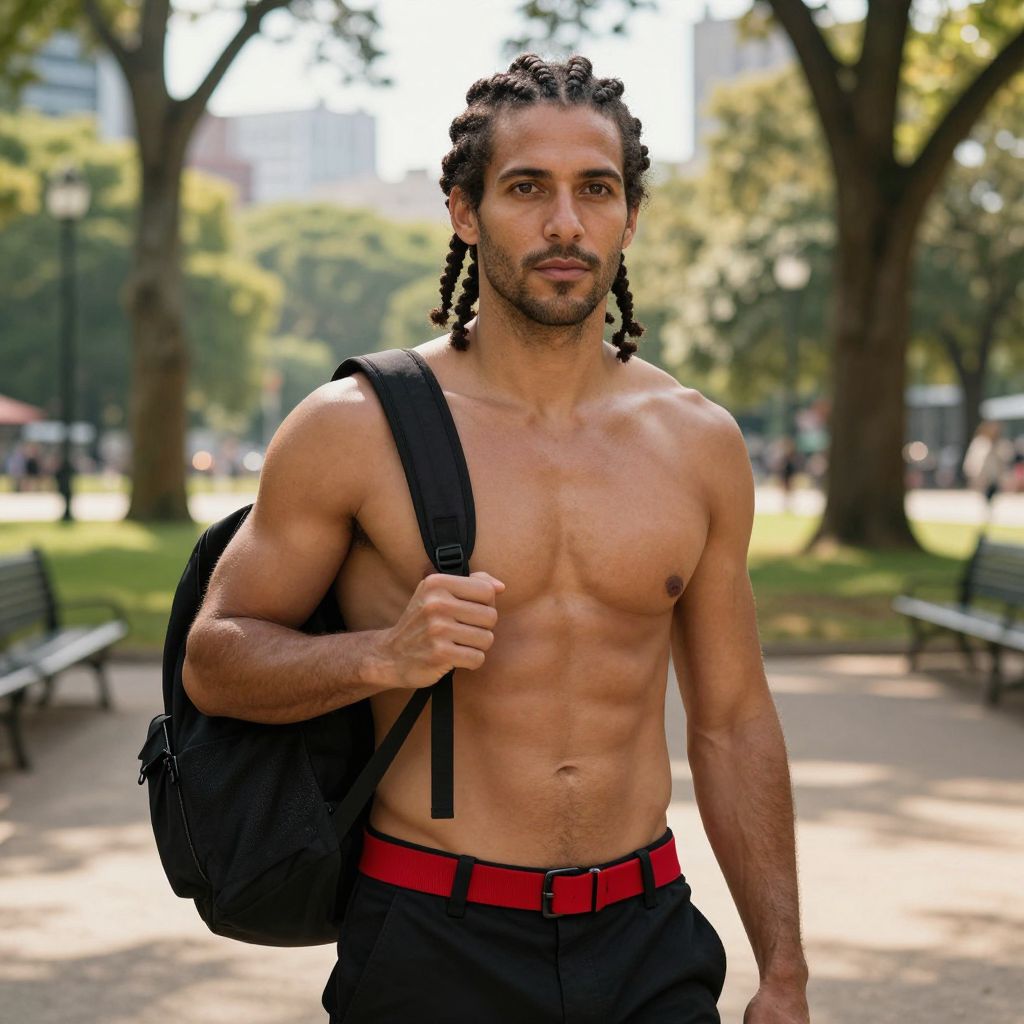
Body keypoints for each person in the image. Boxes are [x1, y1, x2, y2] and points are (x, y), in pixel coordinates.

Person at [183, 54, 809, 1024]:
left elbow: (731, 719)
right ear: (464, 211)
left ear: (630, 216)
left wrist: (783, 969)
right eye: (526, 188)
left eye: (595, 189)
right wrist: (382, 655)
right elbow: (214, 663)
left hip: (645, 936)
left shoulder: (698, 443)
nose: (565, 223)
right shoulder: (352, 427)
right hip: (431, 938)